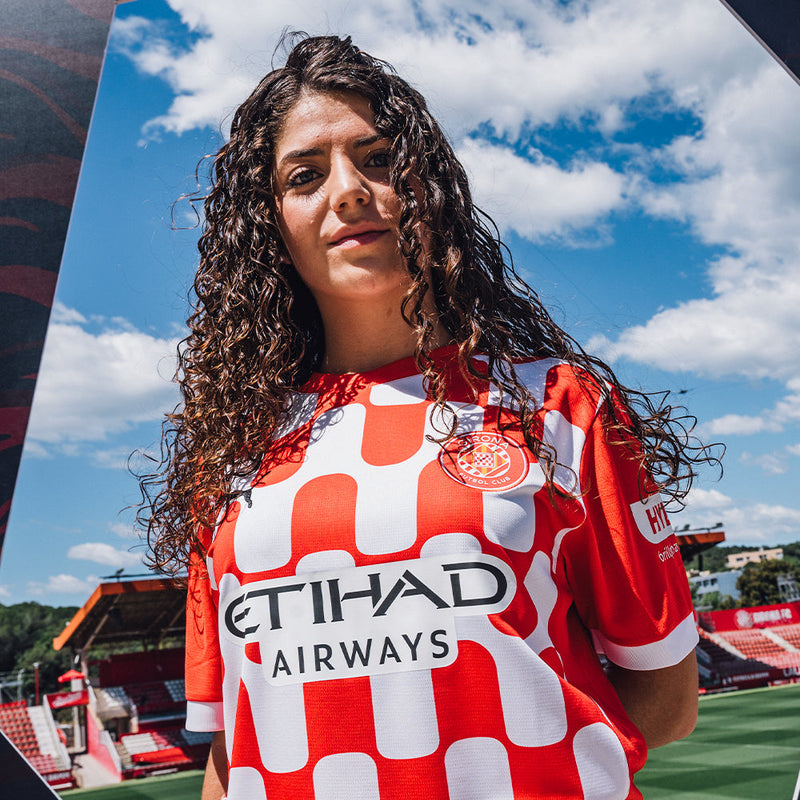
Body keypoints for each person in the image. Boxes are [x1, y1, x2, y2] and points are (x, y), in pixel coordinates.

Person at [140, 34, 718, 800]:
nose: (348, 190)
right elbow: (234, 750)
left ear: (427, 189)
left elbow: (666, 698)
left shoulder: (556, 405)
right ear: (269, 224)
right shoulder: (231, 455)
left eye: (377, 159)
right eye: (305, 175)